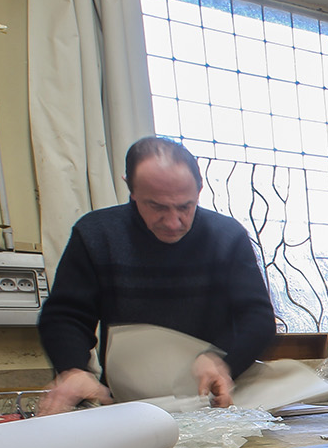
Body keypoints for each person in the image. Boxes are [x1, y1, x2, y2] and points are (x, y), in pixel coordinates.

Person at [37, 136, 275, 415]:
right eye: (158, 207)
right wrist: (74, 369)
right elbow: (66, 316)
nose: (174, 222)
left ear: (199, 190)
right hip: (127, 405)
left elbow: (257, 318)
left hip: (214, 400)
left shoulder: (228, 236)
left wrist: (224, 361)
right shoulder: (96, 234)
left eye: (185, 206)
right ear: (131, 189)